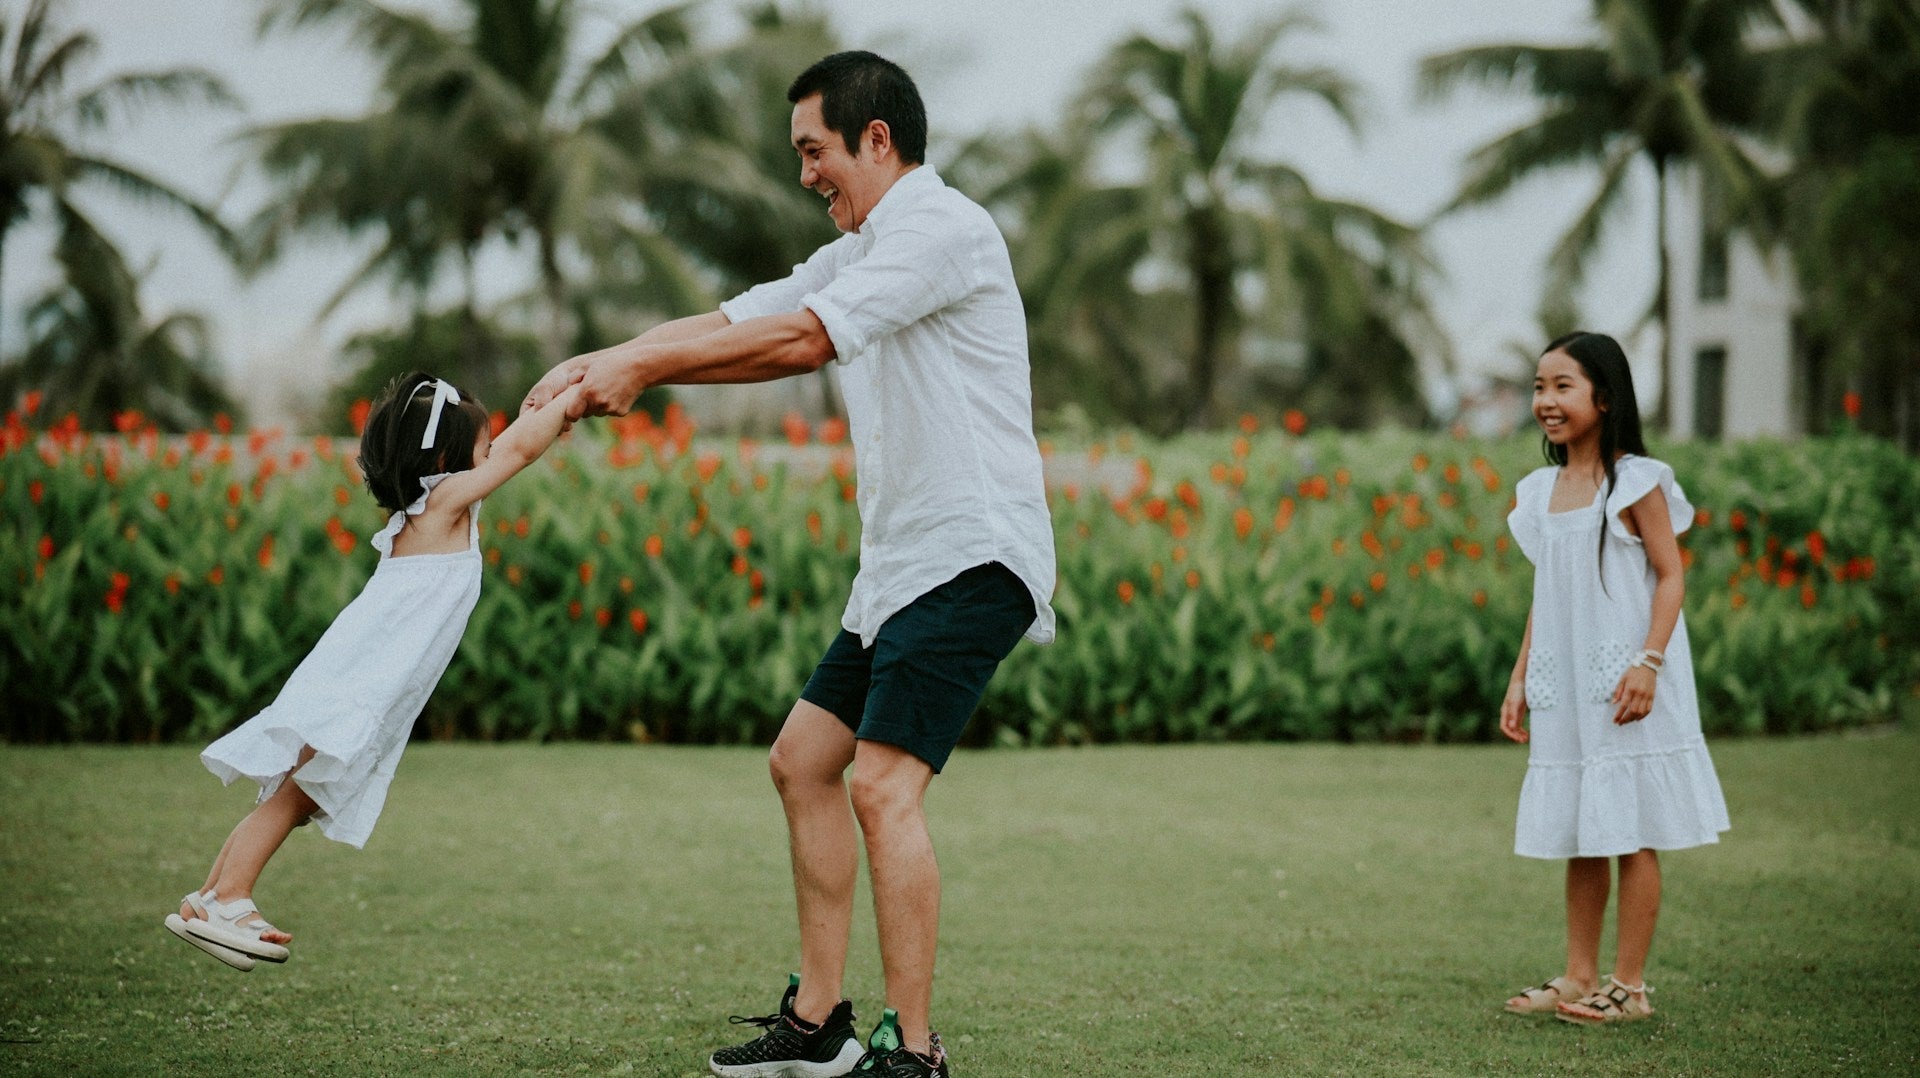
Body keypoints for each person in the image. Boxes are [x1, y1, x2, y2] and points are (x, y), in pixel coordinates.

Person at [524, 50, 1054, 1078]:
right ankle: (819, 1026)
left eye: (815, 151)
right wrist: (604, 359)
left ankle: (914, 1050)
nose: (805, 172)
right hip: (901, 566)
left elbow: (803, 343)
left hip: (972, 553)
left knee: (882, 786)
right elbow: (743, 318)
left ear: (876, 140)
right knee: (803, 761)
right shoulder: (864, 246)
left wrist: (644, 368)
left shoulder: (940, 230)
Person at [165, 372, 583, 971]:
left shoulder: (431, 511)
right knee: (298, 795)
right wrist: (575, 398)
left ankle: (207, 898)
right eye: (483, 449)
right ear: (444, 462)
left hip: (353, 672)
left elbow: (516, 443)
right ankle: (230, 897)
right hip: (362, 682)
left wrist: (549, 407)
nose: (493, 457)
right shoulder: (443, 504)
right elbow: (519, 451)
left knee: (292, 792)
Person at [1497, 332, 1730, 1024]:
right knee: (1583, 826)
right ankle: (1578, 975)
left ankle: (1630, 985)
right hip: (1567, 684)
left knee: (1631, 828)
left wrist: (1648, 663)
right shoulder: (1539, 492)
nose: (1546, 400)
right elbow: (1548, 596)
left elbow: (1670, 576)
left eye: (1562, 386)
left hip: (1629, 683)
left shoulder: (1636, 481)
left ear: (1604, 397)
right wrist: (1520, 679)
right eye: (1539, 387)